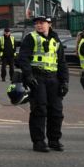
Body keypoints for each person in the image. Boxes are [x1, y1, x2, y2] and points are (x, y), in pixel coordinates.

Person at [16, 15, 68, 152]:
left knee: (56, 111)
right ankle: (38, 142)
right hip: (37, 77)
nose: (39, 25)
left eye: (42, 23)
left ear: (49, 24)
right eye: (37, 23)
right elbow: (23, 58)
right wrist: (28, 75)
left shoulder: (56, 40)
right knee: (39, 110)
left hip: (53, 78)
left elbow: (62, 62)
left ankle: (54, 140)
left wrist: (65, 82)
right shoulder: (30, 38)